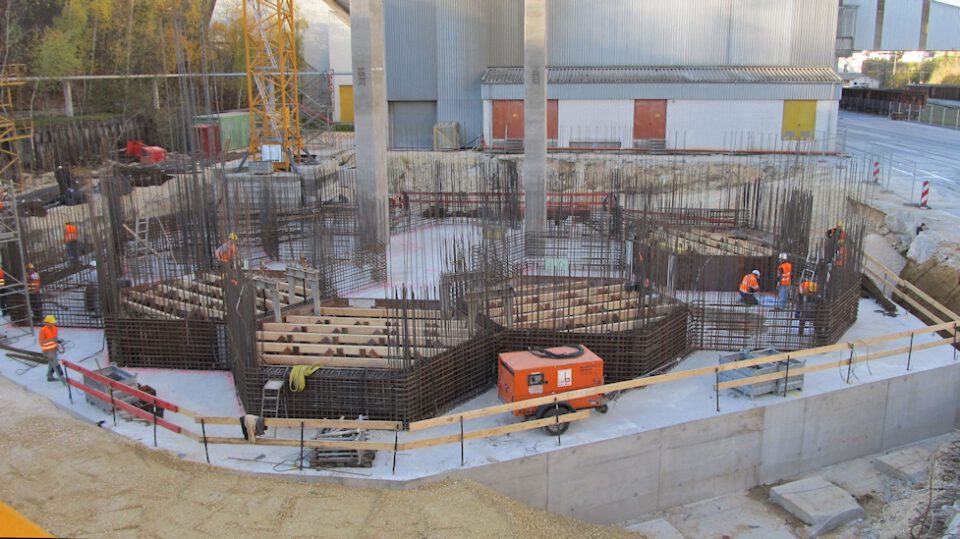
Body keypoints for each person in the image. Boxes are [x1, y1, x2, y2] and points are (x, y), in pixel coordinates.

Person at [39, 315, 63, 382]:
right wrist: (51, 340)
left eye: (53, 323)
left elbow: (55, 338)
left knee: (51, 363)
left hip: (54, 349)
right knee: (56, 364)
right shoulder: (43, 330)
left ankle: (49, 376)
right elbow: (41, 342)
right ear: (47, 323)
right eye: (51, 323)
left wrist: (57, 345)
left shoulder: (55, 328)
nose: (53, 324)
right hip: (47, 350)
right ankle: (62, 379)